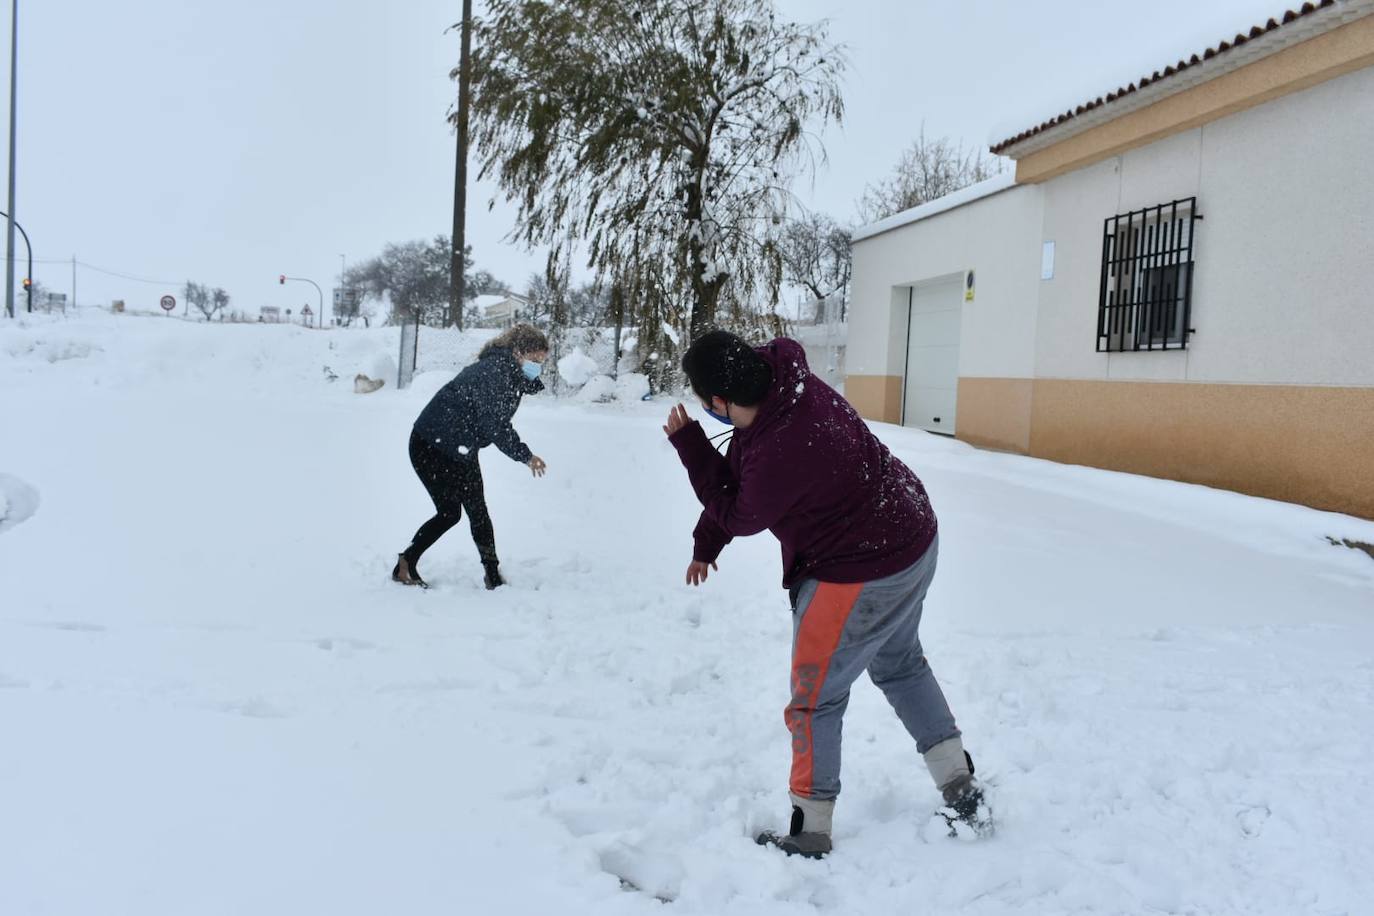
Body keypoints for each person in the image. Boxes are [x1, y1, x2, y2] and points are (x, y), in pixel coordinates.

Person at [663, 330, 991, 859]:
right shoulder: (784, 385)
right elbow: (744, 476)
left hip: (857, 570)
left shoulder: (781, 443)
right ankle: (959, 781)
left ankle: (809, 828)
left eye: (707, 405)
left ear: (721, 402)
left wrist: (692, 450)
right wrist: (706, 543)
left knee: (814, 701)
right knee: (901, 664)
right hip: (912, 538)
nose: (708, 412)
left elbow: (743, 509)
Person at [394, 323, 549, 591]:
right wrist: (526, 456)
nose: (538, 365)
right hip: (431, 446)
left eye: (541, 362)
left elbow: (519, 391)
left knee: (477, 511)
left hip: (459, 447)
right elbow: (496, 426)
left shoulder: (508, 372)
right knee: (450, 513)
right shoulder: (494, 373)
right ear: (518, 352)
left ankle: (492, 575)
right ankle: (405, 564)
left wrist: (530, 378)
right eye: (535, 360)